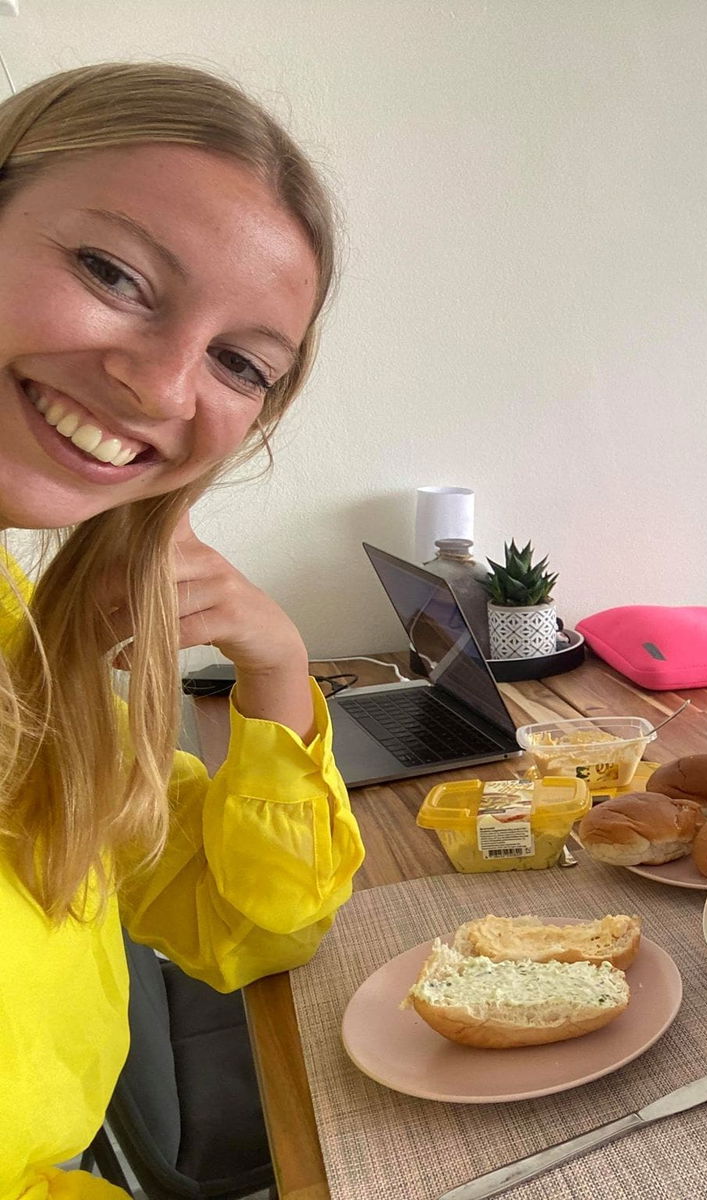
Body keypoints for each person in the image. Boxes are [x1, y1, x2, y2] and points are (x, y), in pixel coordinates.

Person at [0, 63, 365, 1198]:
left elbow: (249, 927)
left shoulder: (23, 642)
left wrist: (277, 668)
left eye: (239, 363)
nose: (162, 388)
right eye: (112, 272)